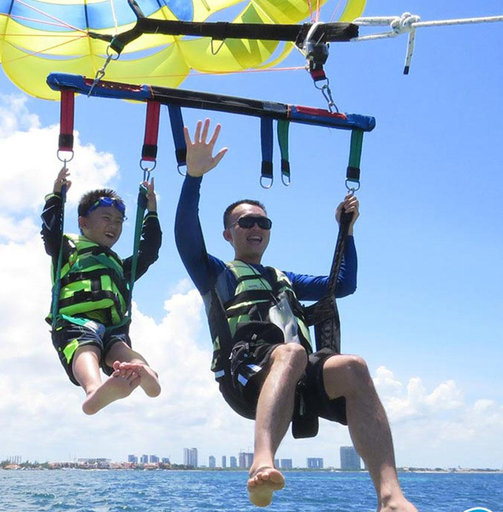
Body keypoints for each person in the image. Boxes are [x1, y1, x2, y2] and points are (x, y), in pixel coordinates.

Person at [175, 119, 418, 511]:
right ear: (228, 234)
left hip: (299, 377)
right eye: (245, 222)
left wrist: (347, 231)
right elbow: (185, 238)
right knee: (291, 352)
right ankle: (262, 463)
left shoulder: (283, 278)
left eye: (263, 222)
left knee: (353, 366)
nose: (256, 226)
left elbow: (344, 284)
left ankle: (390, 497)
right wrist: (194, 177)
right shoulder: (216, 274)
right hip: (247, 376)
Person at [42, 167, 162, 415]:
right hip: (74, 322)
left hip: (112, 328)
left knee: (121, 351)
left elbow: (148, 253)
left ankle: (143, 371)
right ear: (83, 223)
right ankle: (94, 389)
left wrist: (152, 213)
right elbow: (50, 229)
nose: (114, 226)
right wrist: (56, 197)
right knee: (86, 347)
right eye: (106, 218)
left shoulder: (118, 267)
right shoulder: (67, 248)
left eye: (119, 221)